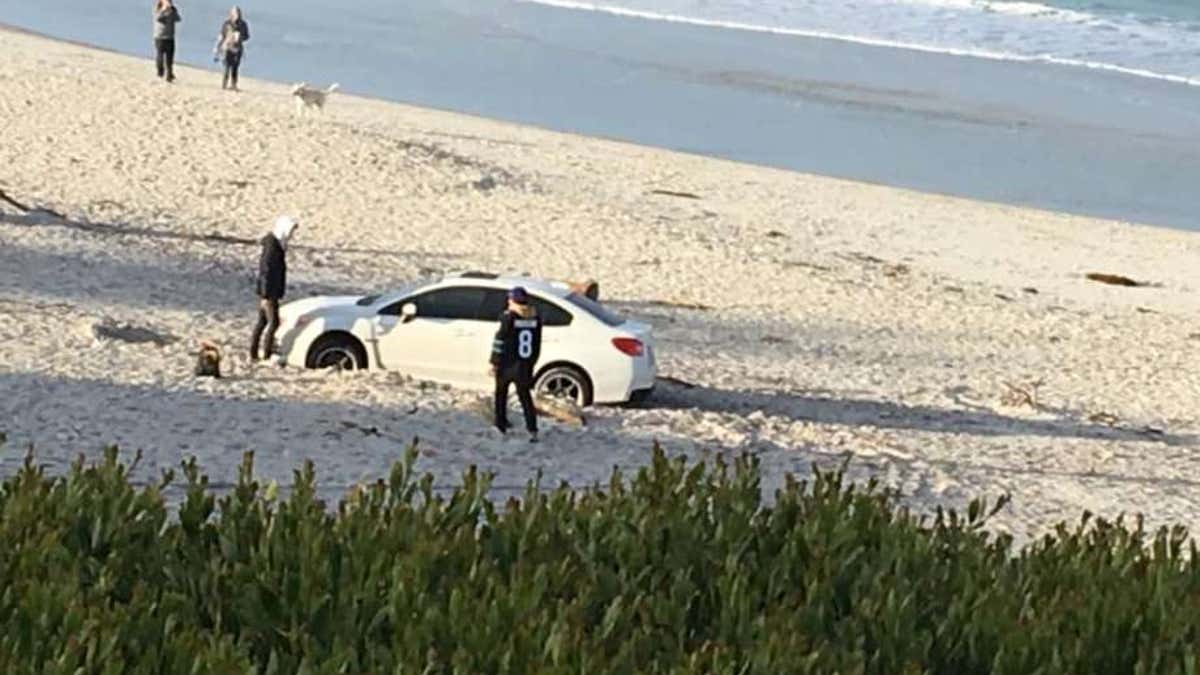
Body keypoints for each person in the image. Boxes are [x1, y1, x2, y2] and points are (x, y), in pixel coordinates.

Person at [490, 287, 543, 442]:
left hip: (507, 363)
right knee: (525, 397)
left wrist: (494, 361)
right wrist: (532, 362)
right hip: (525, 364)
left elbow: (500, 340)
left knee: (501, 394)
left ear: (513, 301)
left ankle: (500, 424)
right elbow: (537, 344)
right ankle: (532, 429)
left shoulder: (509, 317)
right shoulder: (535, 318)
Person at [251, 215, 299, 363]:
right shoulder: (273, 246)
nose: (291, 235)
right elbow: (266, 270)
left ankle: (254, 353)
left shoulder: (276, 244)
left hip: (270, 291)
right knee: (273, 323)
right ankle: (266, 354)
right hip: (269, 293)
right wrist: (266, 295)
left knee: (262, 322)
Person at [213, 6, 250, 91]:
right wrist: (217, 47)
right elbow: (221, 35)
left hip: (238, 49)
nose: (237, 15)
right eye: (235, 13)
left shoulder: (243, 24)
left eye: (238, 13)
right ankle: (224, 85)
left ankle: (234, 85)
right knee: (226, 67)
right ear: (231, 14)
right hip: (227, 48)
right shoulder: (227, 23)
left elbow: (247, 36)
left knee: (235, 68)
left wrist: (240, 37)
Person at [153, 0, 182, 82]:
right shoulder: (158, 9)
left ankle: (169, 75)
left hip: (170, 37)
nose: (169, 3)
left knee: (170, 57)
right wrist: (164, 10)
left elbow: (178, 19)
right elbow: (158, 18)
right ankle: (160, 71)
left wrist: (173, 10)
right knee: (160, 55)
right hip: (160, 37)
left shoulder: (172, 10)